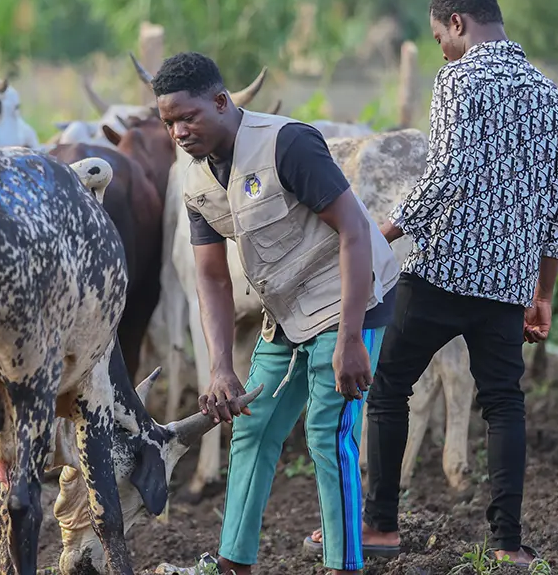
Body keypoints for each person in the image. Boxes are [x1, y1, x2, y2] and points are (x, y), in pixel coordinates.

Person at [303, 0, 558, 566]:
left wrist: (378, 235)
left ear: (458, 23)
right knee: (504, 404)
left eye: (439, 36)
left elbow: (445, 177)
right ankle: (506, 546)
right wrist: (542, 294)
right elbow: (557, 214)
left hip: (443, 272)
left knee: (388, 387)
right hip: (507, 286)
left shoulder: (458, 79)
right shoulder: (551, 98)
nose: (441, 49)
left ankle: (379, 524)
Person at [150, 51, 401, 575]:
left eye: (188, 117)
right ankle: (233, 563)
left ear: (221, 102)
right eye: (168, 121)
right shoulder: (195, 179)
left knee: (327, 434)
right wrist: (220, 366)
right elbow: (213, 276)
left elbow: (355, 230)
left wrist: (351, 337)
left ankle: (343, 565)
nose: (178, 132)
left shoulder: (286, 142)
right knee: (254, 424)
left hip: (349, 294)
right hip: (286, 306)